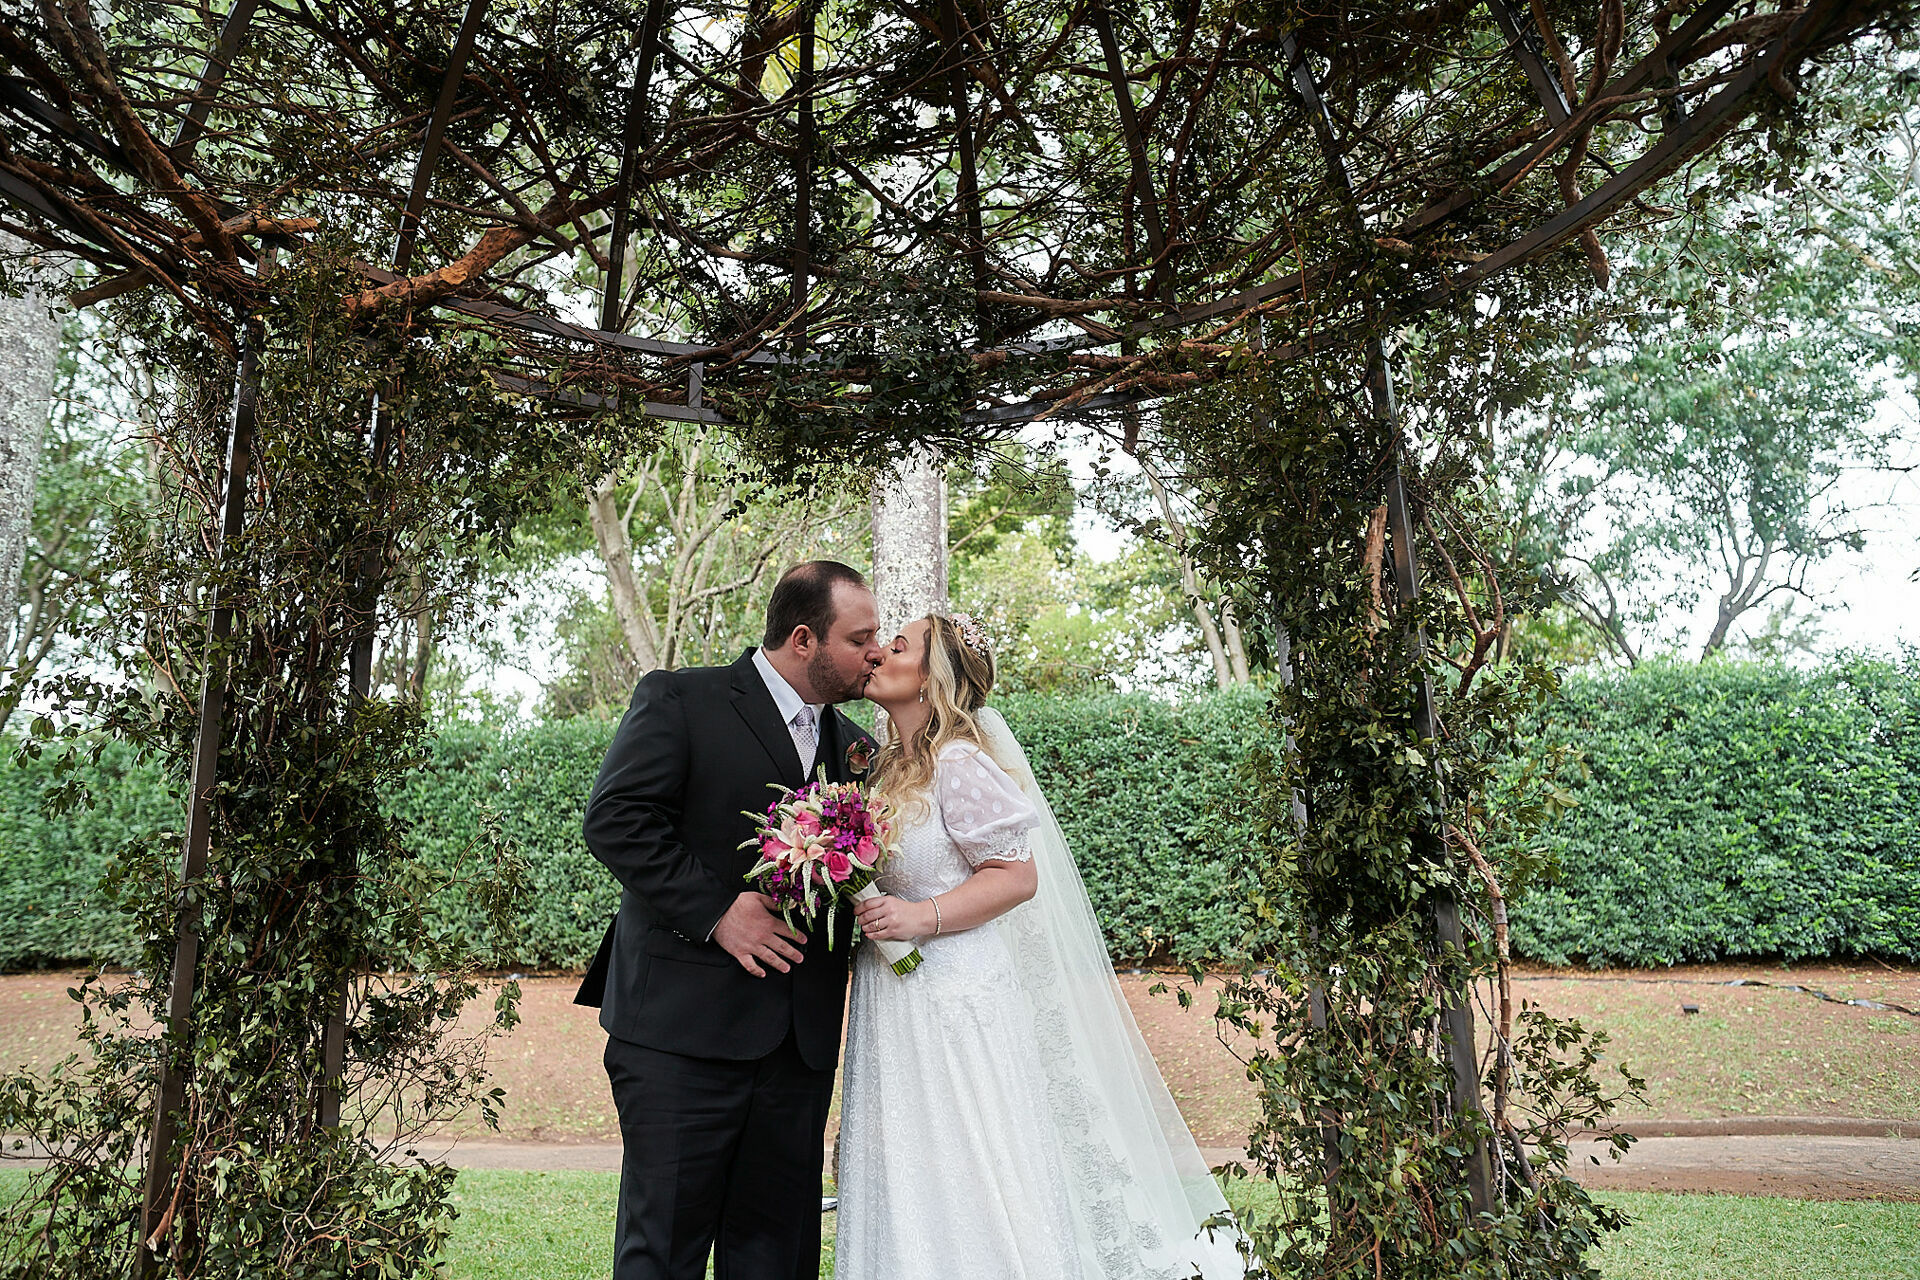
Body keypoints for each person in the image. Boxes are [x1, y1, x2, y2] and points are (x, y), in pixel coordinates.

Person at [838, 613, 1247, 1280]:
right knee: (910, 1165)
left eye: (900, 645)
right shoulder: (884, 768)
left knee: (972, 1160)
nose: (880, 651)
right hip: (898, 1001)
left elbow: (1017, 876)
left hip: (956, 1000)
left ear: (930, 680)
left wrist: (919, 917)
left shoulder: (960, 762)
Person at [576, 561, 882, 1280]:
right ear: (803, 640)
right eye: (859, 638)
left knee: (777, 1260)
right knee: (663, 1254)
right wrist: (717, 912)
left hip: (798, 1048)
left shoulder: (857, 748)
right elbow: (616, 820)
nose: (875, 651)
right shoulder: (682, 698)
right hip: (679, 1039)